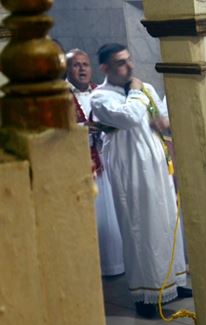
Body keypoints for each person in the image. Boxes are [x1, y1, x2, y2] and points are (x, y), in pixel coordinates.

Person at [91, 43, 189, 317]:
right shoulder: (101, 97)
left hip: (157, 162)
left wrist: (164, 122)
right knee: (141, 226)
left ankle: (175, 281)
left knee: (168, 219)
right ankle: (146, 294)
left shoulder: (143, 87)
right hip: (130, 166)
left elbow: (161, 117)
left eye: (129, 59)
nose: (129, 66)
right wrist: (136, 92)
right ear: (105, 68)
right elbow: (129, 117)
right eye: (121, 62)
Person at [66, 48, 124, 277]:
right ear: (67, 70)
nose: (82, 69)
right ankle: (98, 267)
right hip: (81, 166)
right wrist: (83, 130)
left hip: (107, 161)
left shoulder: (101, 92)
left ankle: (119, 263)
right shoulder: (61, 97)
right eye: (76, 65)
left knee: (114, 213)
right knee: (96, 215)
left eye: (85, 64)